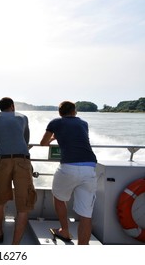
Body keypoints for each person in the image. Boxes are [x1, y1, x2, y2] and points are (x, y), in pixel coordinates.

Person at [0, 97, 36, 245]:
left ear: (0, 108)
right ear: (12, 106)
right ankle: (15, 245)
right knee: (23, 206)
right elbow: (26, 141)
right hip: (22, 162)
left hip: (2, 162)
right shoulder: (23, 117)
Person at [40, 101, 97, 245]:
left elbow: (43, 143)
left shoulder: (55, 123)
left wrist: (54, 137)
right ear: (74, 111)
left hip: (69, 167)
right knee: (86, 214)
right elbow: (76, 138)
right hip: (89, 167)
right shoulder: (83, 123)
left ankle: (64, 230)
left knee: (59, 197)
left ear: (60, 113)